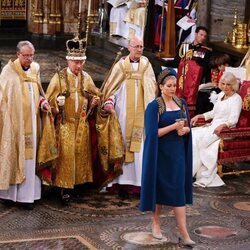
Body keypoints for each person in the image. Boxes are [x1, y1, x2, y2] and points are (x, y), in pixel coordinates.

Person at [45, 35, 103, 204]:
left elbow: (95, 94)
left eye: (81, 62)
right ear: (68, 61)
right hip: (65, 124)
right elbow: (48, 102)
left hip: (82, 124)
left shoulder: (86, 77)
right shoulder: (59, 78)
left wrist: (95, 101)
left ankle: (77, 184)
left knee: (80, 155)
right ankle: (63, 187)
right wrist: (57, 103)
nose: (79, 66)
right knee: (66, 156)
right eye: (76, 62)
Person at [140, 68, 194, 246]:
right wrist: (173, 127)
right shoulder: (154, 106)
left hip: (177, 155)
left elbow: (186, 127)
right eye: (169, 86)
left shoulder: (182, 102)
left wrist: (184, 129)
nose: (173, 88)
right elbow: (151, 133)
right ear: (161, 86)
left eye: (175, 85)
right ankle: (156, 223)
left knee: (178, 190)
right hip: (160, 155)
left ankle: (184, 233)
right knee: (159, 189)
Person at [102, 35, 157, 197]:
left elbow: (152, 87)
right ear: (129, 47)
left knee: (139, 148)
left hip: (142, 115)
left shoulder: (146, 65)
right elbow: (112, 88)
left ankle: (139, 184)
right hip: (123, 115)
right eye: (136, 46)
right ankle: (120, 183)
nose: (139, 50)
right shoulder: (120, 66)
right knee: (123, 145)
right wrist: (109, 102)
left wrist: (151, 109)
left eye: (141, 47)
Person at [0, 41, 50, 210]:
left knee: (30, 159)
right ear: (17, 54)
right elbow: (2, 98)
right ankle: (9, 195)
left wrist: (43, 102)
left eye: (32, 55)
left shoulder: (35, 69)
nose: (30, 59)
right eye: (26, 55)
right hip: (15, 126)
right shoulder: (8, 73)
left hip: (33, 124)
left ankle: (29, 196)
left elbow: (38, 92)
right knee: (14, 155)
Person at [191, 72, 242, 187]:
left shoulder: (236, 99)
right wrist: (201, 116)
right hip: (213, 126)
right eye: (223, 84)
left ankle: (196, 172)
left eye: (228, 84)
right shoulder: (220, 95)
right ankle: (189, 170)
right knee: (193, 135)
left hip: (226, 131)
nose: (225, 87)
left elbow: (233, 120)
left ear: (233, 85)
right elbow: (213, 113)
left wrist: (223, 125)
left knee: (199, 139)